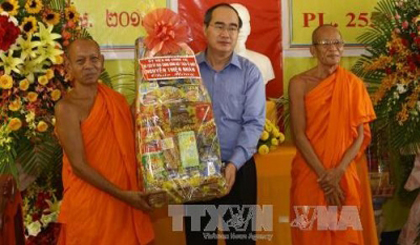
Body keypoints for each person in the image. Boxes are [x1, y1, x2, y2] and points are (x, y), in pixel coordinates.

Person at [55, 38, 154, 245]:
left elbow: (132, 145)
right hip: (92, 206)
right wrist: (124, 196)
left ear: (102, 61)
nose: (89, 66)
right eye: (80, 61)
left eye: (93, 59)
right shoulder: (67, 108)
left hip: (125, 205)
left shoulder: (116, 100)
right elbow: (79, 166)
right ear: (68, 66)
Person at [184, 3, 266, 245]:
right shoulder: (188, 70)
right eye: (219, 26)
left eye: (232, 28)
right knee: (200, 240)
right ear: (205, 29)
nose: (226, 34)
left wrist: (233, 164)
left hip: (238, 170)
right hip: (197, 173)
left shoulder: (250, 73)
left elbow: (254, 123)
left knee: (241, 239)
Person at [288, 25, 377, 245]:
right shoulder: (299, 84)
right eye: (325, 44)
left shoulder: (353, 84)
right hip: (311, 173)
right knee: (311, 234)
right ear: (312, 50)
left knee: (345, 234)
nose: (333, 49)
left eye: (337, 43)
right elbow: (299, 135)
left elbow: (359, 136)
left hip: (343, 173)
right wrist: (325, 178)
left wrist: (338, 172)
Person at [231, 3, 275, 85]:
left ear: (250, 28)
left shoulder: (263, 62)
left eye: (244, 23)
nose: (240, 29)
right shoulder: (203, 62)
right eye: (233, 24)